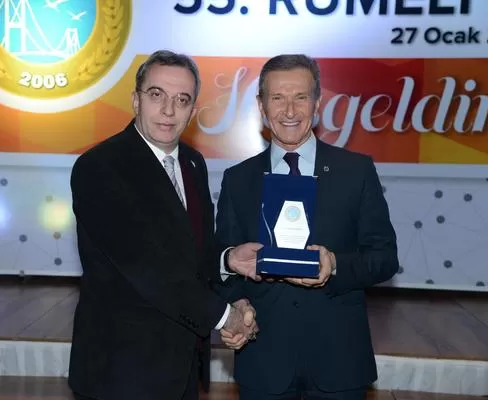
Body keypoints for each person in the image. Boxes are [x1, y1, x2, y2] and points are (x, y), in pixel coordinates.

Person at [68, 50, 258, 400]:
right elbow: (147, 268)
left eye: (181, 99)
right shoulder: (100, 167)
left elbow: (190, 251)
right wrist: (224, 316)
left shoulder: (193, 163)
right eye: (157, 95)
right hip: (122, 372)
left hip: (183, 365)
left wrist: (227, 259)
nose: (169, 110)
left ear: (193, 110)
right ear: (136, 100)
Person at [214, 54, 399, 400]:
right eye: (277, 98)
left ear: (317, 104)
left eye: (300, 97)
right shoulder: (237, 179)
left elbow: (385, 258)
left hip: (340, 360)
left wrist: (335, 265)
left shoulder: (356, 171)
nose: (289, 110)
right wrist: (237, 301)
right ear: (261, 106)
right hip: (263, 358)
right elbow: (223, 260)